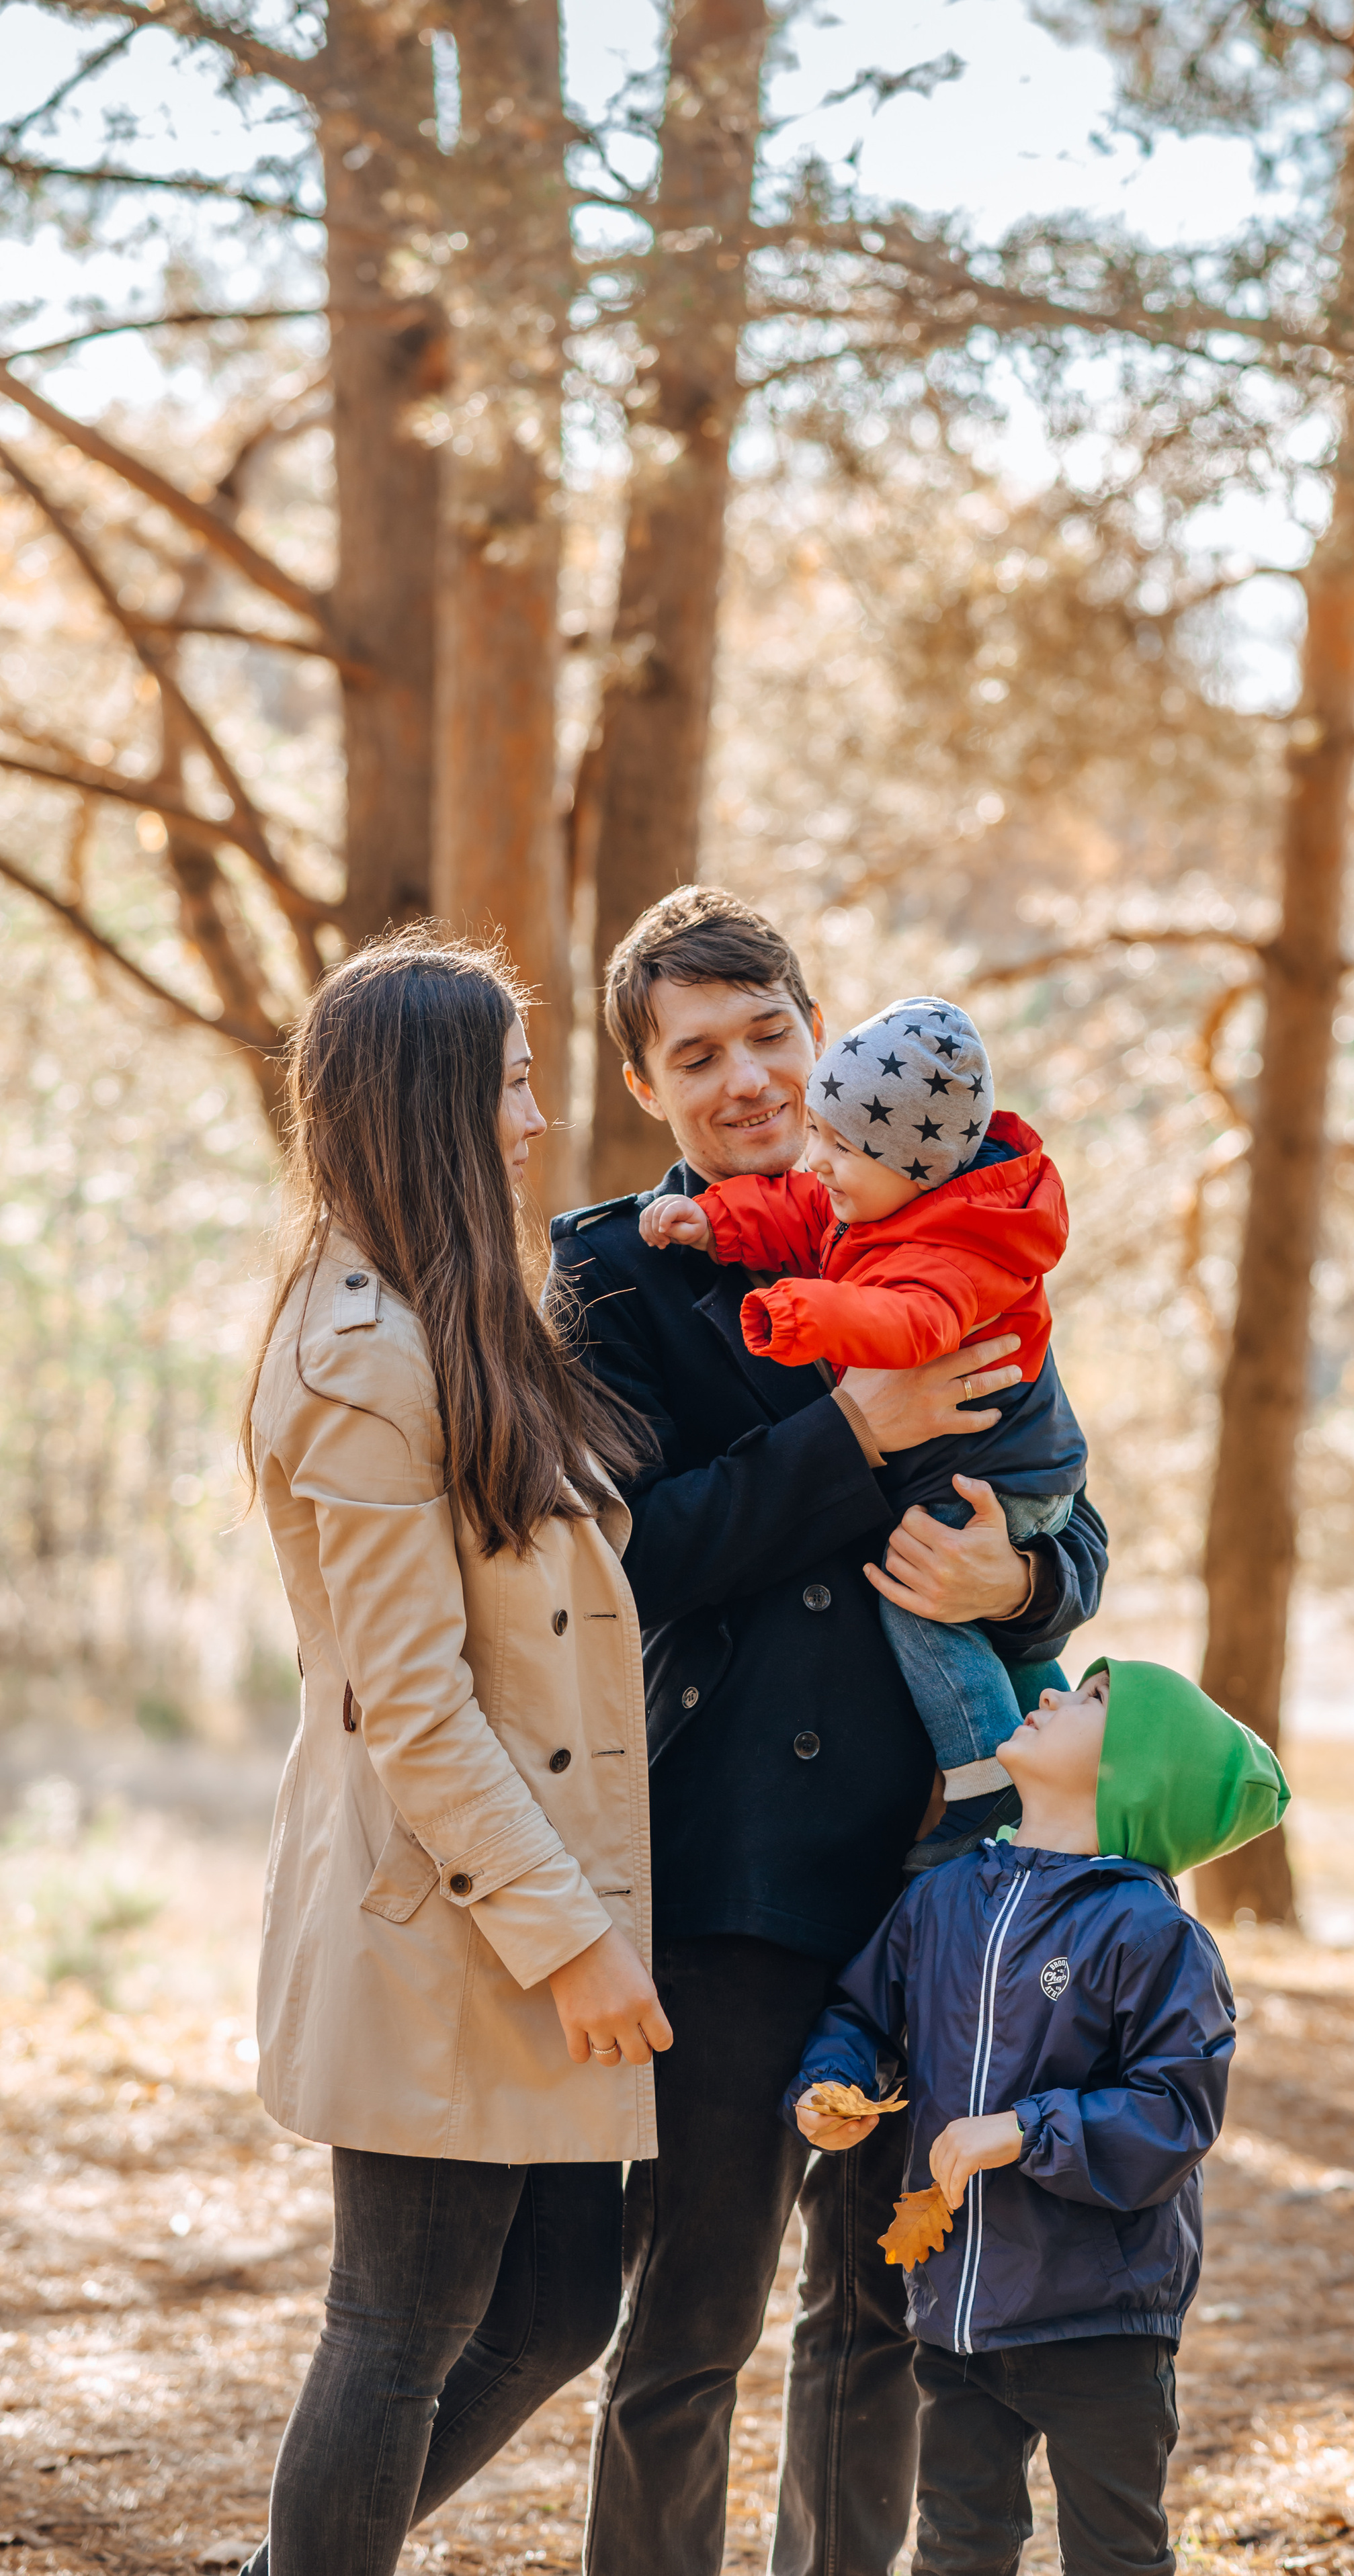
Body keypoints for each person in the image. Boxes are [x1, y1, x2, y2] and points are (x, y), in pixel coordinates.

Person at [546, 887, 1109, 2576]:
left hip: (928, 1865)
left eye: (768, 1033)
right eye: (695, 1053)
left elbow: (1059, 1503)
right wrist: (852, 1428)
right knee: (689, 2317)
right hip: (723, 1865)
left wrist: (1018, 1576)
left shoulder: (945, 1211)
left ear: (816, 1025)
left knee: (884, 2317)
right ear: (646, 1081)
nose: (744, 1078)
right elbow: (622, 1555)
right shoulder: (604, 1272)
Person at [236, 930, 669, 2576]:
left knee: (557, 2301)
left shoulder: (454, 1310)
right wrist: (570, 1940)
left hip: (520, 1893)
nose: (535, 1116)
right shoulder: (362, 1353)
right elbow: (410, 1702)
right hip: (451, 1913)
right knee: (401, 2322)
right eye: (506, 1083)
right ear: (430, 1104)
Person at [787, 1661, 1290, 2576]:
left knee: (1116, 2553)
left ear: (1135, 1775)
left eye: (1093, 1700)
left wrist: (1022, 2128)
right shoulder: (941, 1898)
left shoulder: (1151, 1933)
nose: (1054, 1692)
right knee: (957, 2545)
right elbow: (863, 2013)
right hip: (959, 2310)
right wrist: (833, 2079)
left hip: (1099, 2316)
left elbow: (1175, 2110)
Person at [640, 992, 1088, 1845]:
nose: (815, 1162)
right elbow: (794, 1210)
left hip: (1004, 1481)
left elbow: (910, 1324)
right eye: (697, 1057)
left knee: (918, 1602)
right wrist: (713, 1222)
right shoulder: (871, 1190)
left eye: (836, 1146)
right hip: (749, 1804)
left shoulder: (962, 1248)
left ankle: (985, 1775)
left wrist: (799, 1313)